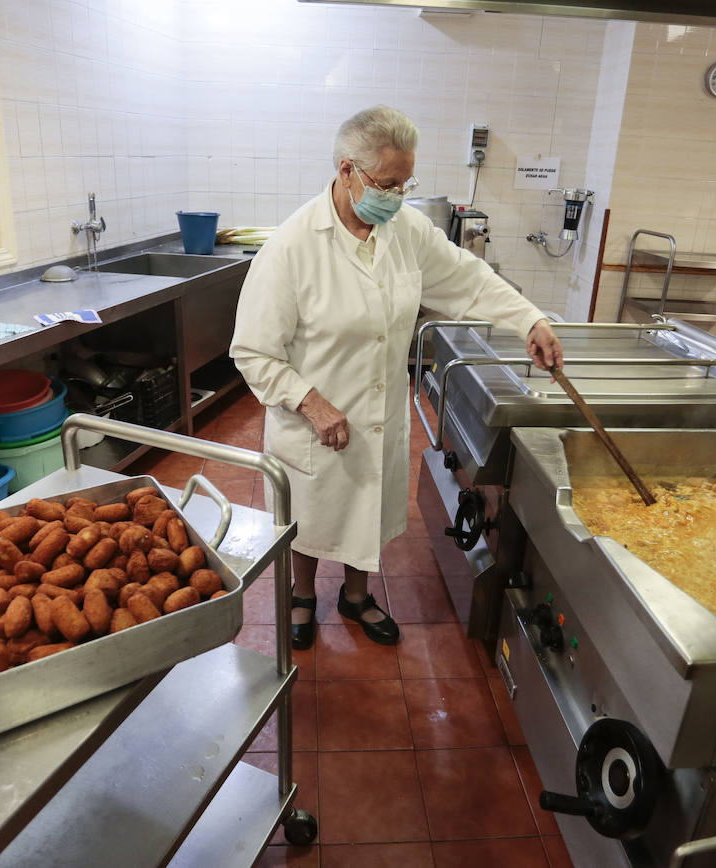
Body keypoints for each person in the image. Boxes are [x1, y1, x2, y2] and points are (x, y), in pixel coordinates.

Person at [230, 105, 563, 649]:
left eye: (405, 183)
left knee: (371, 508)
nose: (397, 195)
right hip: (313, 421)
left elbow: (468, 279)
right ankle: (303, 594)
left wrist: (530, 318)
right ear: (346, 171)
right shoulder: (292, 248)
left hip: (379, 414)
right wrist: (309, 401)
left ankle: (356, 595)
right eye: (386, 183)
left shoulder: (404, 230)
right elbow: (253, 352)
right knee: (310, 516)